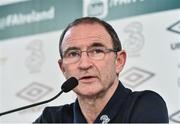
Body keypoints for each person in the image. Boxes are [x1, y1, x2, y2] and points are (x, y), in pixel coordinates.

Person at [34, 17, 169, 123]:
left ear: (119, 61)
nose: (85, 64)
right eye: (73, 54)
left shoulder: (144, 105)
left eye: (97, 51)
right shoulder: (51, 119)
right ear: (63, 68)